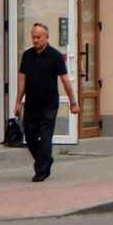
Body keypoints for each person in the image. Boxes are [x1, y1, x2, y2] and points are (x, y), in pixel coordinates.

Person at [15, 23, 80, 182]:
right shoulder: (28, 55)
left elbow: (65, 80)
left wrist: (73, 102)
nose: (35, 40)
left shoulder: (55, 56)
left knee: (45, 136)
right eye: (33, 37)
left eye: (39, 37)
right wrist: (18, 102)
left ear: (47, 37)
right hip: (31, 103)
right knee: (30, 137)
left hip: (49, 103)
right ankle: (45, 160)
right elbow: (22, 79)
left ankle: (41, 171)